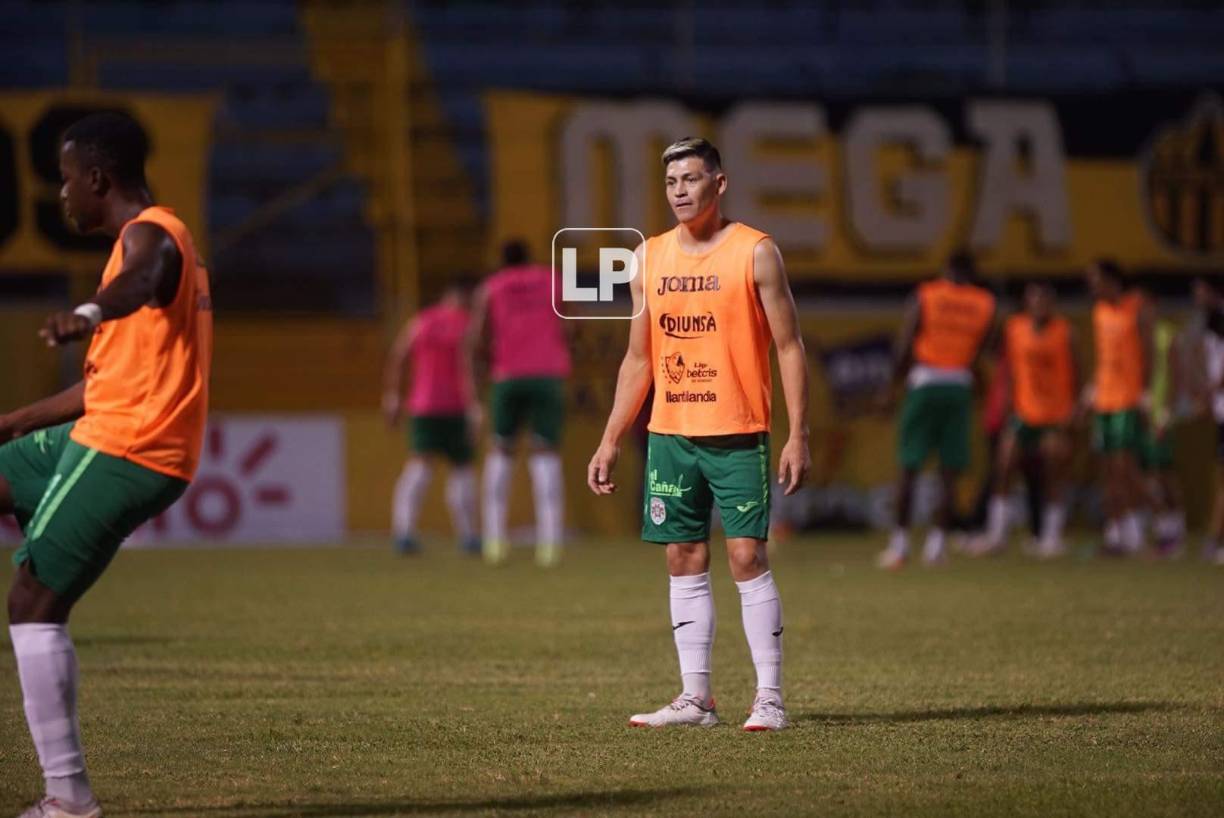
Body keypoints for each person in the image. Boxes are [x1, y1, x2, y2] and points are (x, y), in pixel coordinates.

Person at [0, 112, 213, 818]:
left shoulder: (150, 238)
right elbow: (106, 383)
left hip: (130, 449)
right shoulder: (139, 242)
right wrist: (15, 422)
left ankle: (68, 800)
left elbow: (147, 280)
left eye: (64, 180)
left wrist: (89, 311)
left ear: (96, 178)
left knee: (32, 602)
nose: (61, 195)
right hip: (106, 427)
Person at [587, 137, 810, 731]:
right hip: (671, 434)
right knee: (683, 557)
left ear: (720, 183)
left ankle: (770, 698)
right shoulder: (650, 258)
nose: (680, 191)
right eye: (671, 182)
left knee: (746, 555)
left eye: (691, 178)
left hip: (737, 429)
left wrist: (798, 434)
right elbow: (638, 360)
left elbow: (789, 346)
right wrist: (611, 438)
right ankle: (697, 700)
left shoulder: (757, 252)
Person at [877, 251, 998, 569]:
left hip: (925, 382)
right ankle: (937, 547)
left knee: (909, 465)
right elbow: (984, 346)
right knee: (949, 471)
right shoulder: (984, 302)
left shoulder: (928, 294)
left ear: (946, 269)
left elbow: (906, 341)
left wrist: (892, 385)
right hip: (959, 384)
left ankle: (900, 545)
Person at [465, 240, 571, 567]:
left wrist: (485, 364)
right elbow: (573, 322)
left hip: (508, 376)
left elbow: (477, 335)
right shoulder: (552, 279)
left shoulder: (492, 288)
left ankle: (495, 541)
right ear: (530, 258)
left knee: (501, 451)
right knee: (546, 453)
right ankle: (550, 545)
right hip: (547, 375)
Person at [969, 283, 1080, 558]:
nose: (1039, 305)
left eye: (1044, 299)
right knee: (1004, 467)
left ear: (1052, 303)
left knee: (1053, 476)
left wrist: (1076, 411)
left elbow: (1079, 373)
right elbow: (1009, 371)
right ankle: (997, 535)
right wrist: (1007, 408)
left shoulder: (1066, 332)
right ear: (1027, 303)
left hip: (1055, 414)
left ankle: (1051, 538)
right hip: (1024, 412)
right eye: (1034, 300)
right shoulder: (1015, 328)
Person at [382, 283, 479, 556]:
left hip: (424, 405)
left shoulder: (421, 321)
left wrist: (392, 396)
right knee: (461, 468)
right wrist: (475, 407)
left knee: (420, 466)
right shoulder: (467, 324)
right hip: (457, 405)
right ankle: (469, 536)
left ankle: (403, 533)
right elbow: (471, 367)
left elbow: (398, 356)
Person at [1084, 259, 1152, 556]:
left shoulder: (1136, 306)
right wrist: (1091, 390)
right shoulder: (1098, 313)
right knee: (1109, 470)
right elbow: (1103, 358)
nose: (1091, 286)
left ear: (1111, 279)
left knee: (1126, 467)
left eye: (1095, 279)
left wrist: (1146, 392)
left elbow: (1148, 352)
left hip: (1128, 398)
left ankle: (1143, 530)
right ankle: (1116, 533)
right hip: (1105, 401)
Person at [1140, 294, 1186, 556]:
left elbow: (1175, 376)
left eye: (1146, 307)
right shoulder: (1140, 336)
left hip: (1161, 416)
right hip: (1146, 414)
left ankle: (1175, 532)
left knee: (1163, 474)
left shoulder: (1167, 335)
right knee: (1150, 474)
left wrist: (1167, 413)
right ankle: (1164, 532)